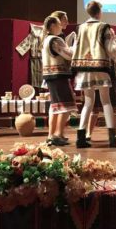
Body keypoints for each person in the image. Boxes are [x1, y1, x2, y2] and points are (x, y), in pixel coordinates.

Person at [71, 1, 116, 148]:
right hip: (100, 67)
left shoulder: (80, 28)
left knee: (88, 102)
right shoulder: (104, 27)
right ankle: (112, 137)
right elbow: (111, 49)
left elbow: (75, 48)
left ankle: (81, 137)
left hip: (84, 68)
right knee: (106, 101)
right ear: (99, 12)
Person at [41, 16, 78, 146]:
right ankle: (57, 134)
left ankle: (54, 135)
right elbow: (69, 55)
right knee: (65, 106)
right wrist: (76, 45)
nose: (61, 26)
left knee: (56, 107)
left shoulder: (46, 40)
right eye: (58, 24)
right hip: (58, 75)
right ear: (52, 26)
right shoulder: (55, 40)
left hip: (51, 76)